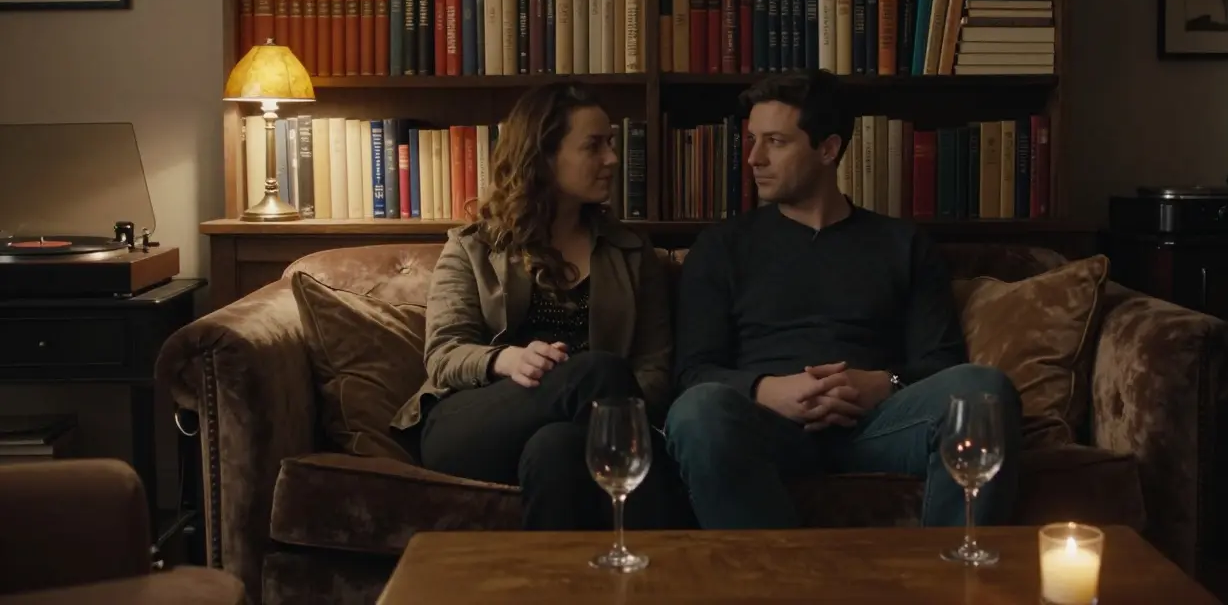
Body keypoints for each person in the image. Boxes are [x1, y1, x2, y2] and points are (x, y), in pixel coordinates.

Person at [662, 69, 1023, 530]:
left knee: (983, 390)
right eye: (752, 140)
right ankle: (771, 584)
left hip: (878, 427)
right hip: (767, 427)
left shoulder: (902, 244)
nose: (754, 158)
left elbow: (941, 361)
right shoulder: (721, 247)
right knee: (698, 412)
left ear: (828, 149)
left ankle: (952, 584)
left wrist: (882, 382)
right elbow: (693, 372)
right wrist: (768, 390)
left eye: (775, 141)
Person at [390, 82, 691, 531]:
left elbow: (652, 367)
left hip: (579, 430)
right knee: (598, 371)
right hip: (473, 422)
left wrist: (600, 421)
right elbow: (444, 356)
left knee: (557, 448)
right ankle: (669, 554)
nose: (612, 158)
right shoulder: (473, 247)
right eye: (595, 145)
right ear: (545, 157)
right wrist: (507, 359)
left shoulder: (629, 252)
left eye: (610, 143)